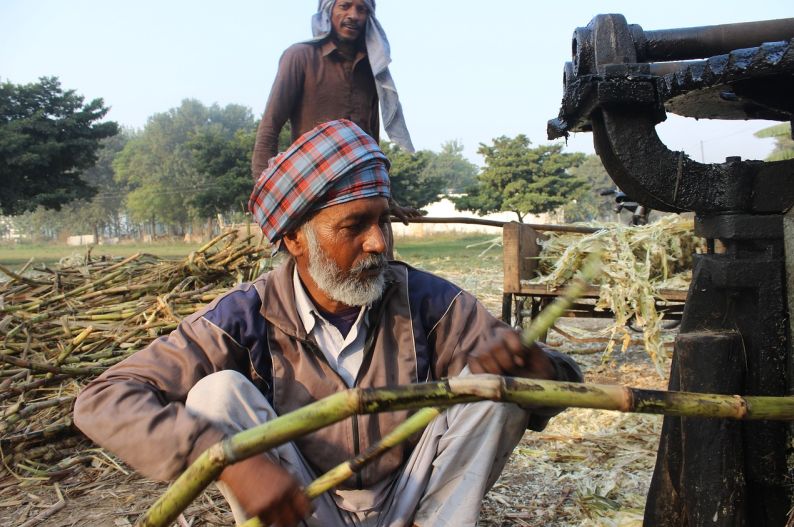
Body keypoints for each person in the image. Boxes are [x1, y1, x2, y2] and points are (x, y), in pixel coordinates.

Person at [74, 120, 582, 527]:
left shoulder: (429, 303)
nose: (379, 242)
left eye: (382, 220)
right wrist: (225, 459)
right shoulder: (243, 317)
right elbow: (103, 399)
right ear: (295, 239)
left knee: (492, 388)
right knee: (218, 394)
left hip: (419, 503)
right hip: (305, 506)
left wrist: (536, 369)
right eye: (354, 226)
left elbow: (554, 381)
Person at [251, 0, 414, 180]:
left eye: (362, 9)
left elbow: (372, 140)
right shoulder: (300, 56)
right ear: (328, 11)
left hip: (361, 183)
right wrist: (263, 188)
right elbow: (270, 127)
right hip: (312, 182)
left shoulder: (372, 69)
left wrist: (387, 196)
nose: (353, 16)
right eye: (345, 6)